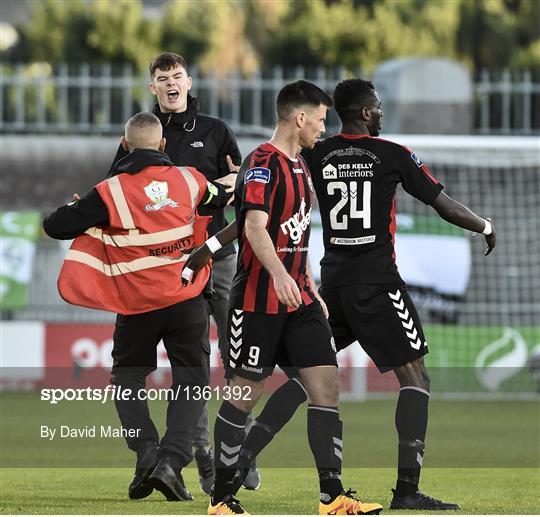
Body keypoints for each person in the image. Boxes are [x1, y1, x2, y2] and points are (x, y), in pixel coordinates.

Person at [186, 79, 497, 511]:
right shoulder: (390, 154)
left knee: (315, 381)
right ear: (367, 112)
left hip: (324, 287)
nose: (321, 125)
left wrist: (209, 247)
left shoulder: (313, 156)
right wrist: (484, 225)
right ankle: (406, 490)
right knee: (414, 377)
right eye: (379, 107)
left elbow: (255, 211)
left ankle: (306, 485)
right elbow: (255, 217)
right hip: (369, 284)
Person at [205, 80, 383, 515]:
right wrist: (279, 274)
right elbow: (253, 227)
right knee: (243, 396)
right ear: (299, 118)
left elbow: (297, 234)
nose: (324, 128)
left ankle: (332, 496)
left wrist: (308, 286)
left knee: (324, 384)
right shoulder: (261, 163)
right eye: (321, 120)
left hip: (300, 299)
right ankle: (222, 498)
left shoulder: (301, 166)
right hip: (257, 302)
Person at [43, 112, 230, 502]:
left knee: (127, 381)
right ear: (163, 146)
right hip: (186, 298)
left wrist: (75, 208)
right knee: (192, 381)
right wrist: (235, 178)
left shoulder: (108, 192)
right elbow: (221, 196)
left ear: (125, 146)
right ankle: (171, 462)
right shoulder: (189, 179)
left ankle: (147, 450)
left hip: (136, 305)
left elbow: (55, 226)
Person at [106, 52, 260, 494]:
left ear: (189, 82)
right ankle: (206, 461)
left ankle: (236, 445)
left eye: (177, 76)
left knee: (236, 354)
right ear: (152, 88)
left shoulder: (216, 131)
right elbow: (117, 192)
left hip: (218, 254)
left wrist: (235, 186)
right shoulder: (139, 136)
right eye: (162, 78)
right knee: (191, 363)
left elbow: (242, 186)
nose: (171, 84)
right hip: (167, 267)